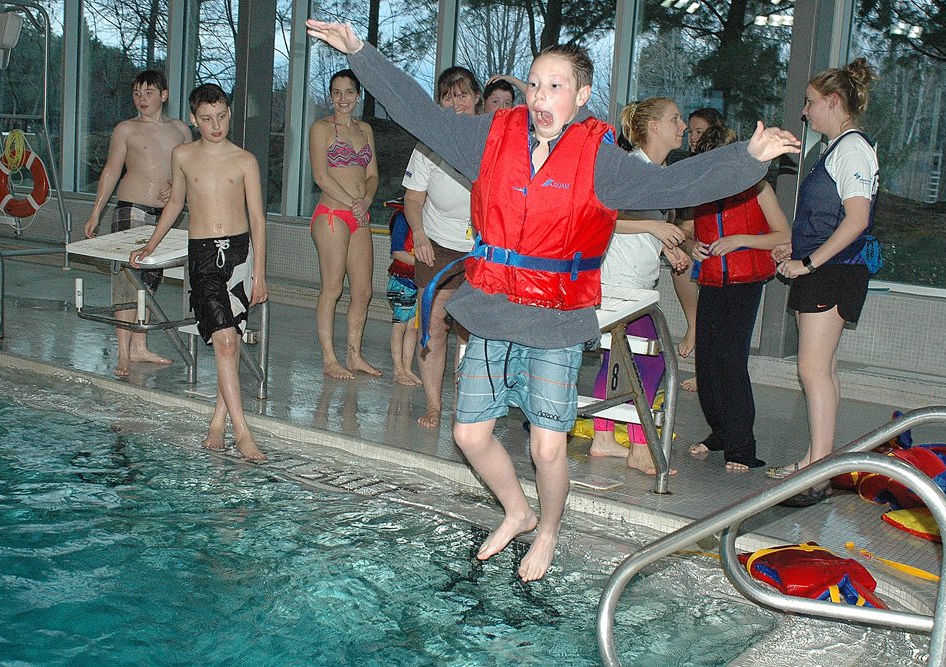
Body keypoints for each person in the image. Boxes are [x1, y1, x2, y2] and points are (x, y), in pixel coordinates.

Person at [306, 20, 799, 581]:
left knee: (546, 449)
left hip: (557, 317)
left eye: (556, 86)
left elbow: (674, 186)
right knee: (469, 434)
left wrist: (748, 159)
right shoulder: (490, 138)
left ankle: (547, 529)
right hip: (494, 305)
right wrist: (362, 55)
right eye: (535, 85)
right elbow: (419, 113)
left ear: (582, 96)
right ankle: (516, 511)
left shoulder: (599, 159)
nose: (541, 98)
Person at [129, 83, 269, 462]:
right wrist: (151, 246)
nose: (216, 125)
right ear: (194, 119)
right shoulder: (184, 155)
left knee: (232, 341)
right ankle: (243, 433)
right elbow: (175, 203)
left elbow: (258, 218)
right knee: (223, 341)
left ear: (228, 113)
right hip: (204, 256)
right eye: (207, 119)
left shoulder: (245, 160)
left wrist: (261, 273)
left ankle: (218, 422)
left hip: (240, 255)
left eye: (221, 116)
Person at [767, 58, 879, 506]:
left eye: (811, 103)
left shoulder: (851, 149)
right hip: (830, 268)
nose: (805, 112)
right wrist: (794, 248)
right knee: (823, 369)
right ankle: (818, 458)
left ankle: (818, 473)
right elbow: (825, 217)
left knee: (812, 368)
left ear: (834, 102)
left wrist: (808, 263)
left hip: (833, 272)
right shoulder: (836, 148)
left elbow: (856, 220)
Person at [588, 97, 690, 476]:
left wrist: (668, 248)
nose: (681, 125)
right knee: (652, 360)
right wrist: (654, 227)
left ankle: (602, 439)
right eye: (675, 119)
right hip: (619, 284)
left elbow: (641, 226)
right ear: (653, 127)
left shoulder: (657, 172)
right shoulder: (631, 168)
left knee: (617, 361)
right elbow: (601, 218)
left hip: (636, 282)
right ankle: (640, 447)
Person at [684, 125, 791, 472]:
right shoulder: (699, 192)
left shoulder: (758, 189)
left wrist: (739, 239)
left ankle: (742, 446)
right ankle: (721, 433)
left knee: (730, 363)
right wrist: (692, 247)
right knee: (707, 363)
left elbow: (782, 235)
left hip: (745, 283)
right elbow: (685, 233)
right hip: (713, 282)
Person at [83, 70, 192, 378]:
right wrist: (95, 213)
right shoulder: (126, 129)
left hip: (166, 212)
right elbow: (111, 170)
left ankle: (139, 346)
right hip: (132, 207)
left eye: (148, 93)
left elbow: (189, 168)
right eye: (137, 94)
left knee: (150, 281)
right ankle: (122, 351)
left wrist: (176, 185)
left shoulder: (181, 130)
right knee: (129, 280)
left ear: (164, 95)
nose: (142, 99)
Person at [402, 66, 480, 428]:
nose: (455, 102)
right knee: (432, 324)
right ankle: (434, 404)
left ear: (477, 97)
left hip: (481, 247)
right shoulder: (428, 145)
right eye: (448, 96)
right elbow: (413, 199)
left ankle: (469, 405)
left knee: (474, 328)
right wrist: (418, 235)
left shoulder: (488, 140)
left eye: (462, 94)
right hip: (436, 243)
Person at [309, 69, 381, 380]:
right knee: (333, 288)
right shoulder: (321, 129)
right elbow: (320, 176)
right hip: (332, 215)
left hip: (359, 214)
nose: (343, 99)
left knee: (363, 291)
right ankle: (329, 358)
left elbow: (373, 174)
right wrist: (352, 202)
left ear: (357, 95)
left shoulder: (365, 129)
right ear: (331, 95)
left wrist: (365, 200)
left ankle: (354, 355)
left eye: (348, 92)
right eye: (336, 93)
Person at [673, 107, 727, 391]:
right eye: (690, 131)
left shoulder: (721, 171)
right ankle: (694, 325)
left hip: (721, 246)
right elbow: (686, 223)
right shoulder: (685, 168)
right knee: (680, 256)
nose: (692, 137)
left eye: (699, 132)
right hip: (696, 239)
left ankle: (704, 365)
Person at [387, 207, 421, 386]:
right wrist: (423, 263)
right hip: (402, 281)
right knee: (400, 326)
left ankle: (407, 369)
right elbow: (397, 251)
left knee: (413, 328)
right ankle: (397, 370)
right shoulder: (403, 217)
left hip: (418, 282)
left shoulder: (428, 217)